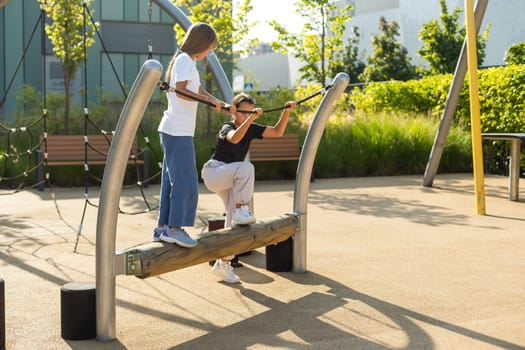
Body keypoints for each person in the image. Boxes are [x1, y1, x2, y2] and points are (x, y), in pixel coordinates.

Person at [201, 93, 297, 283]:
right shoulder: (227, 127)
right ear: (235, 111)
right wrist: (251, 118)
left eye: (249, 112)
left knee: (233, 223)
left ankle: (224, 263)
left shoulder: (251, 128)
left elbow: (277, 132)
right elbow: (235, 139)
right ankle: (241, 209)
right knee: (246, 167)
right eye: (243, 112)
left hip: (231, 178)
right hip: (214, 173)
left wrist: (287, 112)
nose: (246, 116)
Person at [153, 22, 233, 247]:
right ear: (202, 43)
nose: (210, 52)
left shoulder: (186, 61)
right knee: (185, 182)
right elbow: (181, 91)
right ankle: (175, 228)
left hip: (176, 130)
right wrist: (209, 101)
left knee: (171, 182)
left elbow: (195, 90)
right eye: (210, 48)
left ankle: (162, 228)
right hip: (177, 131)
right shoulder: (184, 60)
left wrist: (217, 101)